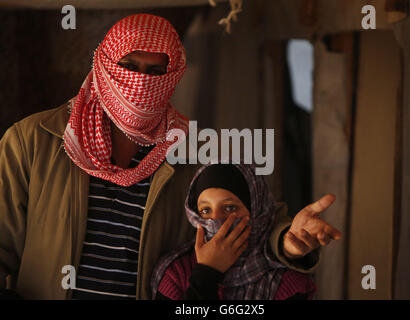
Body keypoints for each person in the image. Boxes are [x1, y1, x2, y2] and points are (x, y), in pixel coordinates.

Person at [0, 13, 341, 300]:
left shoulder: (195, 152)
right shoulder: (33, 142)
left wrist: (290, 241)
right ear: (103, 65)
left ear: (173, 77)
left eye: (154, 73)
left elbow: (255, 218)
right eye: (128, 66)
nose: (140, 84)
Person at [151, 163, 317, 300]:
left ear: (256, 211)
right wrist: (206, 274)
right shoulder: (175, 273)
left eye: (230, 208)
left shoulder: (286, 282)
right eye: (206, 210)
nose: (215, 220)